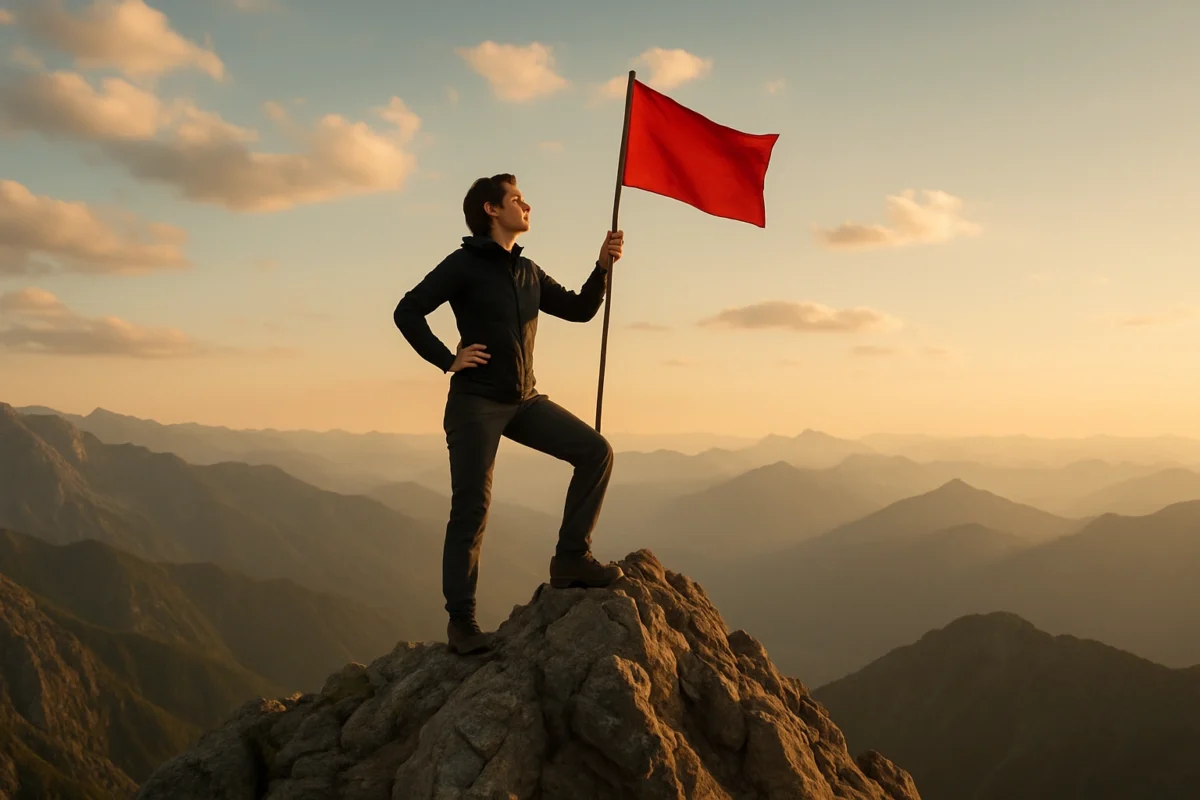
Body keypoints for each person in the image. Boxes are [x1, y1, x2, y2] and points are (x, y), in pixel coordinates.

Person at [393, 173, 626, 655]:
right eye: (517, 199)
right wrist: (446, 358)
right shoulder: (463, 265)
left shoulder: (529, 272)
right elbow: (407, 310)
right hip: (475, 402)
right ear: (490, 211)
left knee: (596, 452)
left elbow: (582, 310)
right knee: (472, 508)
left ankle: (570, 560)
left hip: (524, 400)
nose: (527, 206)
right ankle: (463, 624)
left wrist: (602, 266)